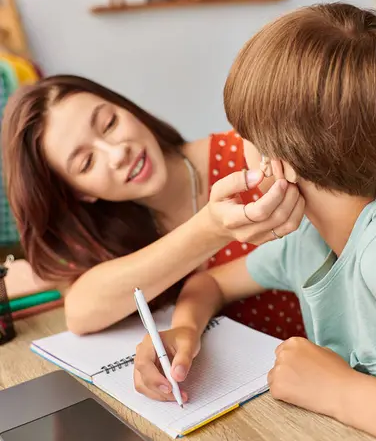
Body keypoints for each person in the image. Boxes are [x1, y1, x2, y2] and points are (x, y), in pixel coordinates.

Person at [133, 2, 376, 441]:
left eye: (243, 139)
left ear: (281, 164)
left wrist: (340, 391)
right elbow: (209, 284)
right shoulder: (306, 240)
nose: (237, 150)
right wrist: (184, 333)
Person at [1, 75, 304, 335]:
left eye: (109, 123)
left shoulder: (248, 155)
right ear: (80, 194)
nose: (117, 153)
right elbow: (80, 313)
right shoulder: (116, 233)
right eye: (87, 162)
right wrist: (210, 230)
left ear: (129, 110)